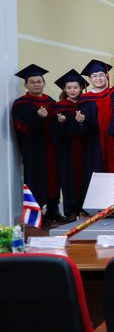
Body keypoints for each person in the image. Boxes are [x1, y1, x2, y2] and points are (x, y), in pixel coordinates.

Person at [12, 64, 63, 222]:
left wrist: (60, 121)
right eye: (32, 82)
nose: (36, 84)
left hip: (52, 147)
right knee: (36, 179)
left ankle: (53, 210)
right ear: (26, 85)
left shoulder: (51, 102)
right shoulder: (21, 104)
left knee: (54, 177)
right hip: (33, 149)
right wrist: (38, 117)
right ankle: (37, 212)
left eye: (39, 81)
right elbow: (21, 127)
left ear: (44, 83)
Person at [51, 69, 89, 221]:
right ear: (64, 89)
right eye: (69, 87)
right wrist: (60, 124)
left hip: (85, 149)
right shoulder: (58, 107)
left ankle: (84, 209)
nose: (73, 90)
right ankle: (71, 211)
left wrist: (81, 123)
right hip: (66, 151)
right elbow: (55, 135)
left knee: (84, 179)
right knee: (68, 179)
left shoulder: (85, 105)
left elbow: (91, 129)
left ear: (81, 88)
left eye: (76, 87)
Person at [78, 59, 114, 173]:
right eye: (94, 76)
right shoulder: (84, 99)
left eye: (101, 75)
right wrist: (81, 122)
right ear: (90, 79)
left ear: (106, 76)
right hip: (95, 143)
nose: (98, 78)